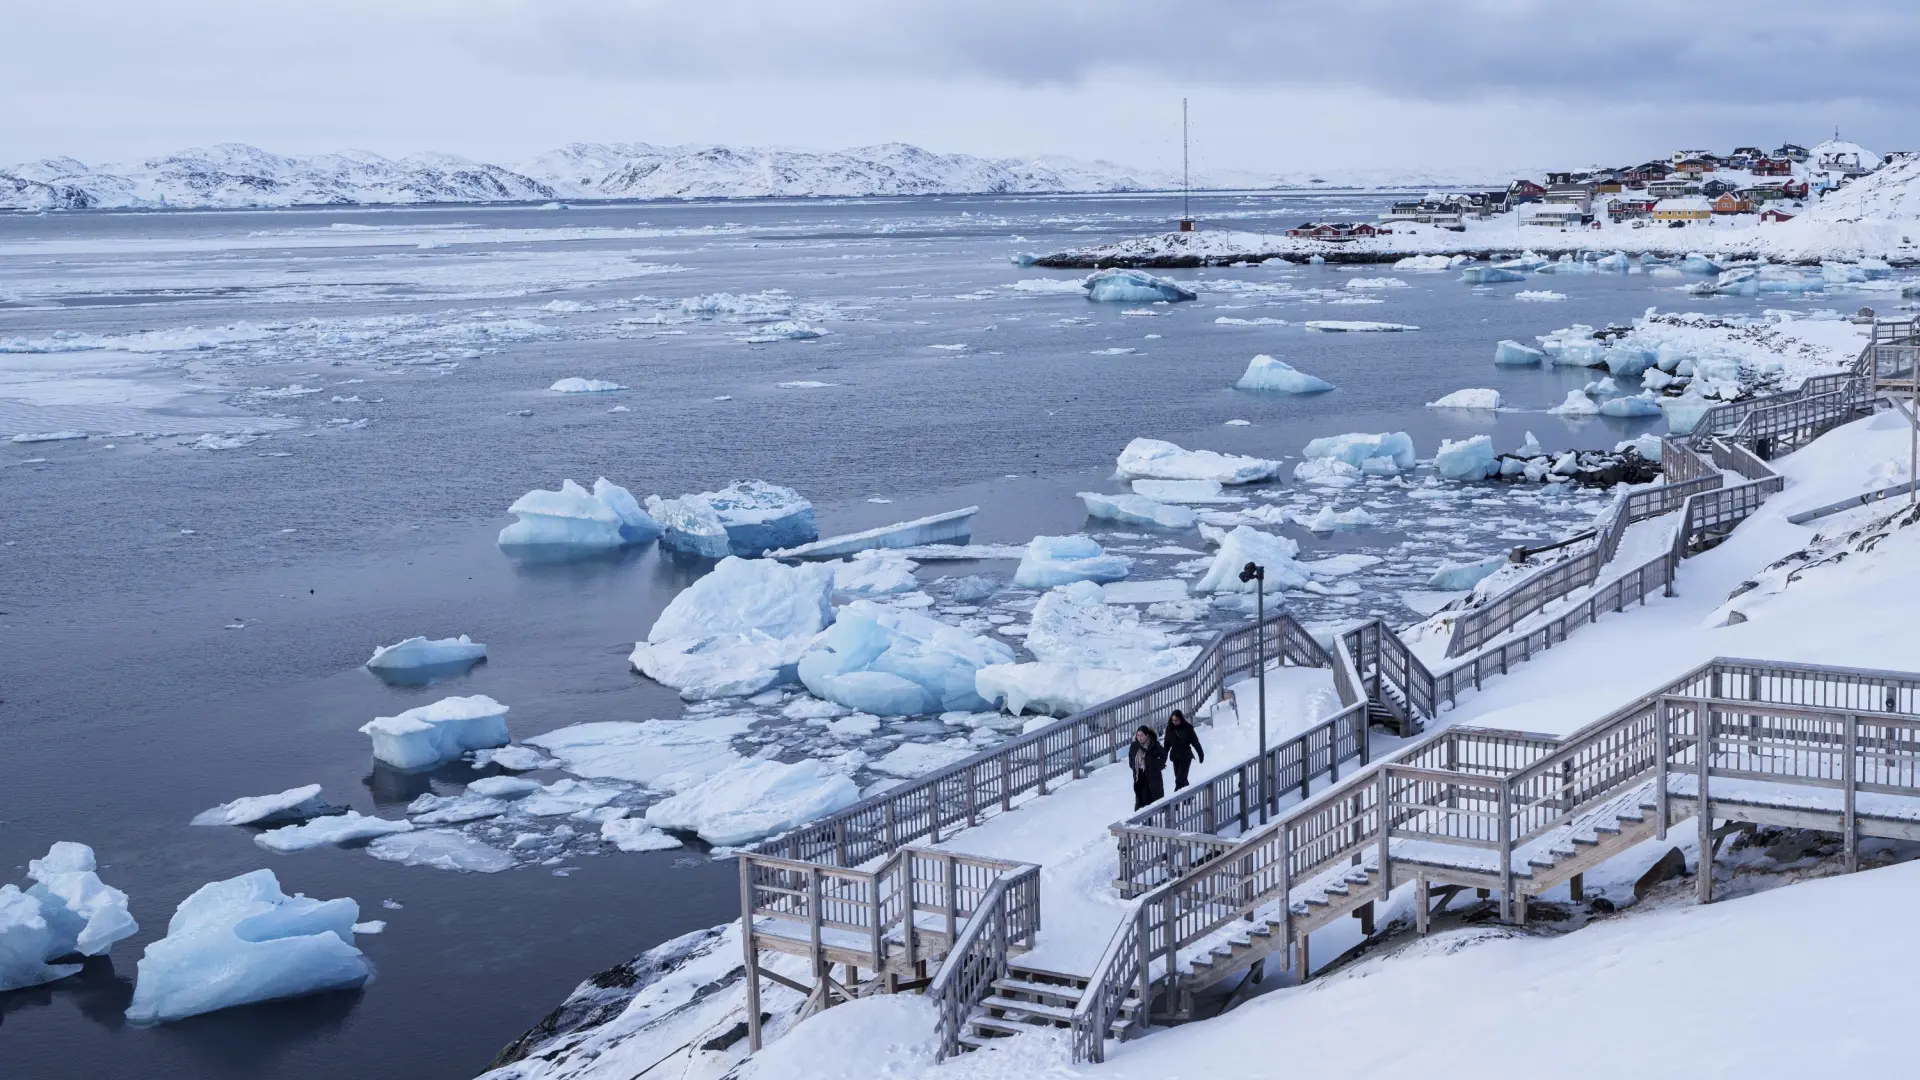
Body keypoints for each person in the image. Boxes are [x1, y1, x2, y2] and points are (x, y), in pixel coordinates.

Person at [1163, 709, 1205, 791]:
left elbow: (1195, 742)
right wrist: (1163, 758)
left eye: (1176, 720)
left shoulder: (1187, 728)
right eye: (1173, 721)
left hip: (1185, 756)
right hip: (1175, 756)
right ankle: (1188, 798)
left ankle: (1175, 800)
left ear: (1181, 719)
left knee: (1179, 779)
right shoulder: (1170, 729)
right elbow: (1166, 745)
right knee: (1182, 779)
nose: (1174, 722)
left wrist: (1201, 754)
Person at [1129, 726, 1166, 810]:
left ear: (1147, 735)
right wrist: (1134, 766)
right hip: (1139, 776)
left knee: (1149, 798)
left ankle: (1148, 819)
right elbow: (1131, 758)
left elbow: (1163, 756)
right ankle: (1139, 818)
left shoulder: (1153, 744)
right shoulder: (1134, 746)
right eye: (1138, 735)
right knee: (1139, 798)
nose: (1139, 738)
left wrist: (1155, 765)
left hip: (1151, 776)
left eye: (1141, 735)